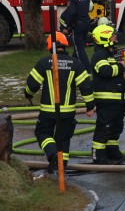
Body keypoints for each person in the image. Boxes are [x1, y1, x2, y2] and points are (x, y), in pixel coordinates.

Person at [24, 32, 94, 172]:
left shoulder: (44, 62)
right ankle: (62, 168)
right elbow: (86, 86)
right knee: (63, 140)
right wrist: (89, 106)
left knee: (43, 133)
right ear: (65, 45)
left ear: (50, 46)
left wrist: (28, 94)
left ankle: (52, 154)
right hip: (67, 112)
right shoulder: (76, 63)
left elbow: (32, 85)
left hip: (48, 111)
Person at [90, 24, 125, 164]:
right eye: (113, 35)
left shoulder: (113, 52)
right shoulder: (99, 55)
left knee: (116, 126)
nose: (115, 37)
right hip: (106, 99)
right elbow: (105, 71)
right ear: (105, 37)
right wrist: (120, 67)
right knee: (104, 127)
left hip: (118, 98)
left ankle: (112, 151)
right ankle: (98, 155)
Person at [60, 0, 93, 73]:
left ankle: (89, 69)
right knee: (78, 47)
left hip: (78, 25)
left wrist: (66, 27)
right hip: (86, 24)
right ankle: (71, 66)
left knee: (80, 49)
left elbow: (71, 13)